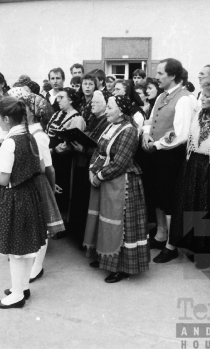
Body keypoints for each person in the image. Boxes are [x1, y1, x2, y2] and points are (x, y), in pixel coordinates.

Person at [0, 97, 48, 309]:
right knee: (24, 247)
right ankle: (23, 287)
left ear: (6, 118)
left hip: (13, 197)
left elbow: (3, 179)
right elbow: (41, 168)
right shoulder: (30, 136)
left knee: (16, 250)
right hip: (29, 194)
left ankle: (17, 295)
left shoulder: (9, 142)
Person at [167, 77, 210, 269]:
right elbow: (186, 135)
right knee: (191, 205)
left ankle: (206, 253)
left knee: (206, 208)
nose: (202, 98)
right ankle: (193, 246)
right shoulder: (198, 113)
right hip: (192, 164)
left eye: (207, 95)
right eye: (202, 94)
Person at [84, 95, 150, 283]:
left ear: (120, 111)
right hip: (107, 181)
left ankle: (121, 267)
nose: (105, 111)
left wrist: (99, 175)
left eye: (109, 108)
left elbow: (121, 162)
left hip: (123, 183)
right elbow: (99, 151)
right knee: (105, 222)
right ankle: (105, 258)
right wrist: (92, 170)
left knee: (120, 225)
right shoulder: (110, 125)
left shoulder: (129, 131)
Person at [141, 58, 197, 264]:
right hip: (156, 152)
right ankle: (160, 235)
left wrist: (157, 145)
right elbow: (150, 119)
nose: (157, 77)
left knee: (169, 199)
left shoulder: (184, 98)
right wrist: (146, 134)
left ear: (173, 76)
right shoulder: (162, 96)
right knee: (157, 196)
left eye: (161, 74)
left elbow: (180, 133)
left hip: (171, 155)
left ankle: (171, 245)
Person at [16, 89, 66, 281]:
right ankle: (29, 258)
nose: (20, 112)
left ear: (33, 112)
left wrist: (51, 189)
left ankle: (37, 265)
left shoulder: (39, 136)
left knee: (41, 224)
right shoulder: (27, 132)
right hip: (27, 181)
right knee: (30, 222)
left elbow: (49, 168)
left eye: (24, 109)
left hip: (38, 182)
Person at [68, 90, 110, 245]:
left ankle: (84, 238)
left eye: (96, 102)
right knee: (79, 198)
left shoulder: (106, 121)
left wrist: (84, 149)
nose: (92, 104)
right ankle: (77, 234)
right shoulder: (93, 118)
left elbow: (103, 148)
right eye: (92, 102)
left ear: (106, 105)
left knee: (86, 201)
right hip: (82, 161)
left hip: (90, 163)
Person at [46, 87, 86, 220]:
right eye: (57, 97)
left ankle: (61, 222)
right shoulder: (56, 114)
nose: (58, 100)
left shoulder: (77, 118)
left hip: (64, 159)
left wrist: (61, 148)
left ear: (70, 100)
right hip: (51, 155)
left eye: (61, 97)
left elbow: (73, 143)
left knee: (61, 188)